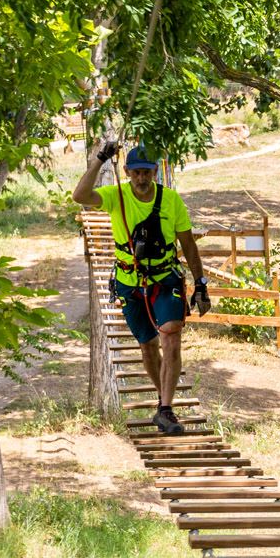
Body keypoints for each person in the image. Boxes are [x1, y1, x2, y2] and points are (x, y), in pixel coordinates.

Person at [73, 140, 210, 435]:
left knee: (170, 333)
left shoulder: (171, 200)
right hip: (129, 282)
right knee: (147, 345)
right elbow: (79, 196)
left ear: (155, 173)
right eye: (135, 173)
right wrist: (100, 159)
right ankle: (164, 404)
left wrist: (200, 284)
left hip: (164, 278)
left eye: (146, 172)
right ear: (127, 172)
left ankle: (165, 408)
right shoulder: (116, 196)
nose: (141, 178)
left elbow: (187, 243)